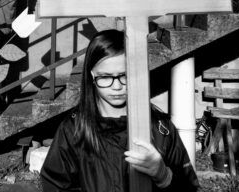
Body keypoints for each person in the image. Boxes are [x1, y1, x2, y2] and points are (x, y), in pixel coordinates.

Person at [40, 30, 199, 191]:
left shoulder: (160, 128)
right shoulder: (74, 130)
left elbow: (189, 186)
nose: (117, 86)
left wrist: (164, 176)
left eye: (124, 75)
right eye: (106, 77)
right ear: (92, 75)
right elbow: (55, 185)